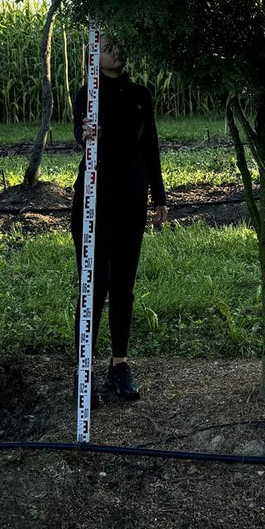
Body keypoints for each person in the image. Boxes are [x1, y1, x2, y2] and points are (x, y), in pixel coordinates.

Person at [72, 34, 166, 406]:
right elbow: (80, 131)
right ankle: (85, 371)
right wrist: (85, 134)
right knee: (94, 284)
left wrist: (158, 197)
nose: (117, 51)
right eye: (108, 46)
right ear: (93, 56)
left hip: (131, 201)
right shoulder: (88, 94)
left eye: (118, 45)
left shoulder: (141, 95)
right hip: (94, 203)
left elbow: (151, 146)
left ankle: (119, 365)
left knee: (123, 284)